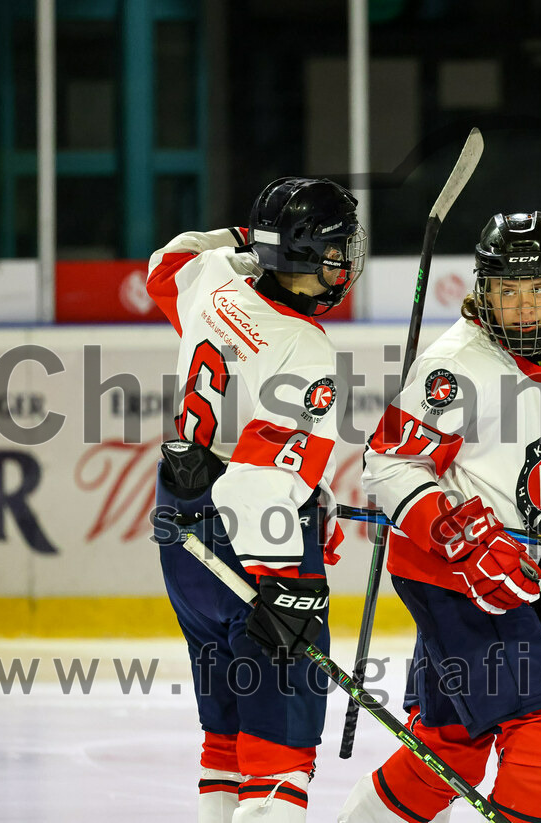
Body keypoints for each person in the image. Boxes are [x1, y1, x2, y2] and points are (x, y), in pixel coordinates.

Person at [339, 212, 541, 823]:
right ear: (484, 291)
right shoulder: (455, 366)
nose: (525, 307)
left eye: (537, 290)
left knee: (450, 748)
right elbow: (387, 465)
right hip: (453, 574)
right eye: (508, 291)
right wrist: (465, 538)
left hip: (517, 570)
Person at [148, 177, 367, 823]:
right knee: (279, 750)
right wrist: (282, 581)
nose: (341, 262)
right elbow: (258, 477)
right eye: (332, 249)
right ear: (301, 255)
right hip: (254, 539)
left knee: (227, 732)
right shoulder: (304, 345)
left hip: (185, 524)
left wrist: (244, 244)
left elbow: (168, 261)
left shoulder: (214, 279)